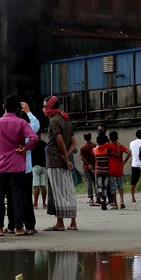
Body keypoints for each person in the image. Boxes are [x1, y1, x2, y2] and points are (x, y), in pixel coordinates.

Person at [0, 94, 38, 237]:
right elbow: (34, 137)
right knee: (17, 197)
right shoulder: (21, 123)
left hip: (0, 167)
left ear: (4, 106)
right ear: (17, 109)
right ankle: (19, 228)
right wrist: (26, 147)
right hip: (17, 167)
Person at [42, 95, 78, 231]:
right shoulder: (66, 119)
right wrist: (67, 157)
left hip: (53, 159)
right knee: (68, 189)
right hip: (62, 159)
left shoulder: (54, 120)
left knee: (57, 191)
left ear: (50, 106)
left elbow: (59, 141)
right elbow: (73, 143)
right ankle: (73, 222)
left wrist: (64, 157)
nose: (44, 108)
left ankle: (60, 223)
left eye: (45, 105)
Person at [92, 131, 114, 210]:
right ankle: (104, 200)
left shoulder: (94, 150)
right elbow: (112, 154)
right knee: (105, 186)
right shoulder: (107, 150)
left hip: (98, 170)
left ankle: (100, 198)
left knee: (99, 186)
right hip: (106, 170)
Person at [109, 130, 130, 208]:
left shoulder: (109, 146)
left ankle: (115, 204)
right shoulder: (120, 146)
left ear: (109, 138)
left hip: (111, 169)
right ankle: (122, 201)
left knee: (113, 186)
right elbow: (129, 152)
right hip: (119, 168)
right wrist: (124, 161)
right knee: (120, 186)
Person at [79, 132, 98, 205]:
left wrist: (88, 164)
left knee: (89, 182)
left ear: (84, 138)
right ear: (91, 137)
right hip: (95, 166)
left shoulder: (83, 147)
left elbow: (82, 158)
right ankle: (98, 198)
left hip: (86, 167)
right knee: (96, 182)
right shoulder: (95, 146)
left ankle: (91, 198)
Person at [128, 129, 141, 203]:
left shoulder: (132, 143)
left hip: (134, 164)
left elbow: (132, 152)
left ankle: (132, 197)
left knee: (133, 181)